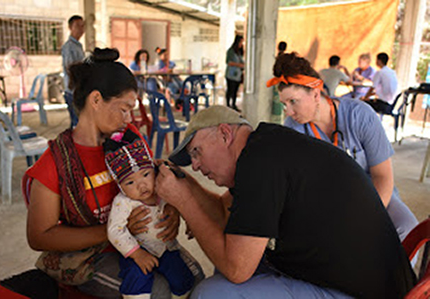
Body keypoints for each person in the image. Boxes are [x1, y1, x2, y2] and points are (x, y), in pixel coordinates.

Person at [152, 105, 416, 298]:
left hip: (364, 294)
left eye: (196, 152)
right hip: (364, 280)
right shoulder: (266, 147)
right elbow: (223, 212)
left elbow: (237, 269)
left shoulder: (260, 164)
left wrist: (184, 201)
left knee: (211, 294)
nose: (195, 165)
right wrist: (187, 185)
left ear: (224, 134)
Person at [19, 48, 202, 299]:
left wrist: (172, 210)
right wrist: (114, 230)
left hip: (146, 241)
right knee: (156, 291)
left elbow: (155, 178)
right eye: (124, 108)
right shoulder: (56, 163)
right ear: (96, 100)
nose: (130, 119)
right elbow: (39, 236)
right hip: (93, 255)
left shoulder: (130, 142)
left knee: (195, 278)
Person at [274, 52, 418, 242]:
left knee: (407, 228)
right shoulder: (293, 129)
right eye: (284, 104)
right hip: (328, 200)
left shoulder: (360, 115)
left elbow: (382, 176)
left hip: (373, 193)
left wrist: (365, 217)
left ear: (316, 93)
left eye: (293, 101)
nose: (289, 112)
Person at [104, 129, 194, 299]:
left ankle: (182, 295)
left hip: (165, 248)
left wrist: (189, 219)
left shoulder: (162, 188)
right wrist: (137, 253)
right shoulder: (123, 202)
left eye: (146, 174)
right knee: (136, 275)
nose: (141, 185)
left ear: (154, 170)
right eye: (130, 182)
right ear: (120, 186)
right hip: (137, 248)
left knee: (181, 274)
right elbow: (115, 230)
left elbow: (182, 199)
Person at [61, 15, 85, 128]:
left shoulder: (79, 46)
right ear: (70, 27)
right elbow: (69, 67)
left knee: (77, 121)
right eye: (77, 26)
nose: (81, 29)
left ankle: (71, 144)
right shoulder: (69, 46)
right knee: (77, 123)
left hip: (79, 88)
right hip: (72, 90)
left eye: (82, 26)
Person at [225, 35, 244, 112]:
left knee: (236, 90)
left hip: (237, 75)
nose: (241, 44)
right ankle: (228, 105)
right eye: (241, 42)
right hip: (231, 74)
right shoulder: (231, 51)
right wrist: (238, 65)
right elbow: (228, 62)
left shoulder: (239, 52)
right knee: (230, 89)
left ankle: (233, 104)